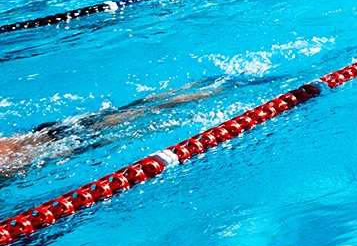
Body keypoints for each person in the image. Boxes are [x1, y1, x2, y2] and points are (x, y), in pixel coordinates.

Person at [1, 84, 223, 182]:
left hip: (61, 139)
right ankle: (205, 87)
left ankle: (214, 88)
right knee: (138, 110)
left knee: (145, 113)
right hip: (45, 137)